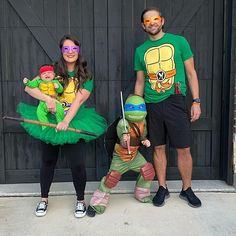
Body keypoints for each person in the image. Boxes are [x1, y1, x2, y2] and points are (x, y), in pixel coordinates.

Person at [20, 34, 107, 217]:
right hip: (51, 121)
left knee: (77, 163)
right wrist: (48, 100)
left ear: (78, 51)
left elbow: (78, 100)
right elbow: (29, 88)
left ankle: (80, 201)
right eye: (66, 48)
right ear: (61, 51)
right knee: (48, 161)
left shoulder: (86, 75)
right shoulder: (52, 69)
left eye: (73, 48)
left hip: (74, 119)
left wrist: (66, 121)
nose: (70, 52)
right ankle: (43, 199)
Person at [134, 7, 202, 208]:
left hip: (175, 100)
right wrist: (136, 111)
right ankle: (162, 187)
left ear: (162, 21)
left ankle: (186, 188)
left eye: (155, 19)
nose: (152, 23)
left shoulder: (179, 42)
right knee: (158, 147)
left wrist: (196, 101)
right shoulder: (140, 51)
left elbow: (191, 73)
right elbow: (139, 82)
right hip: (152, 103)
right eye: (147, 21)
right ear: (143, 26)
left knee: (183, 148)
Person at [86, 94, 155, 217]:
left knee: (147, 170)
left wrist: (144, 140)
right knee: (110, 179)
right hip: (120, 157)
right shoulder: (122, 123)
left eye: (139, 108)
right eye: (132, 108)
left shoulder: (143, 122)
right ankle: (96, 204)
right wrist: (124, 139)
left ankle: (142, 194)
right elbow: (123, 143)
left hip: (135, 156)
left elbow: (142, 136)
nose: (136, 111)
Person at [23, 64, 64, 129]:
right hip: (43, 102)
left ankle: (60, 123)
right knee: (39, 112)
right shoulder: (39, 82)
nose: (47, 74)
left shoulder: (55, 82)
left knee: (60, 110)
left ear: (53, 75)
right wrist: (27, 82)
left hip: (55, 101)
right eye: (44, 73)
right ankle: (45, 126)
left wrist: (58, 87)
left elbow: (60, 90)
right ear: (40, 76)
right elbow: (32, 85)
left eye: (49, 73)